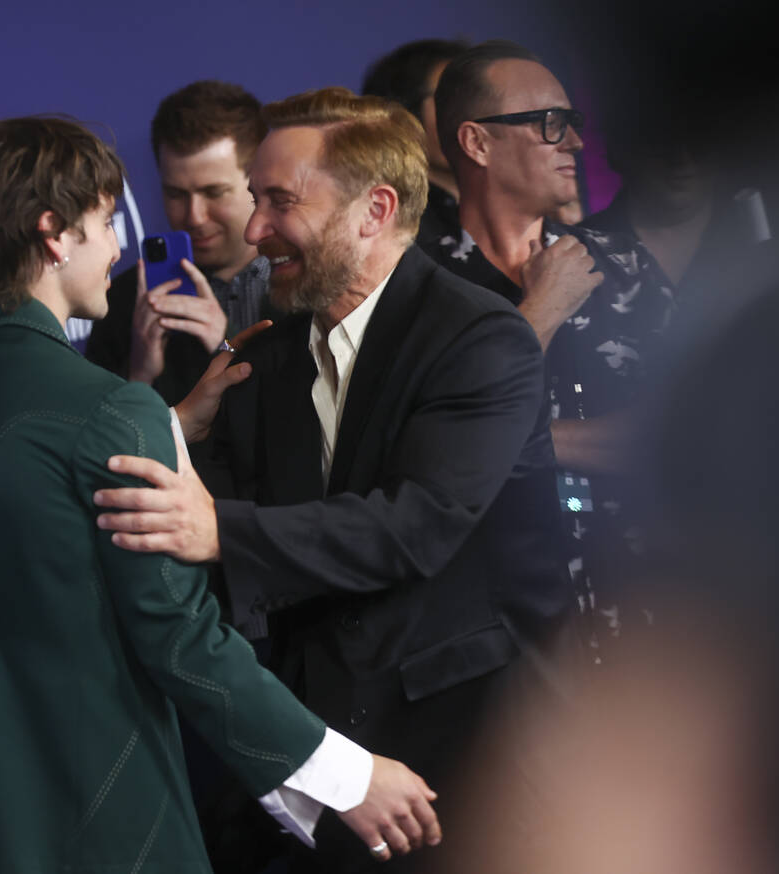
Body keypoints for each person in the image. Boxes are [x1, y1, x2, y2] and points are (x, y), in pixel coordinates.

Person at [0, 116, 441, 874]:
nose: (117, 248)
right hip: (89, 805)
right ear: (53, 233)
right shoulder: (107, 409)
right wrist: (346, 777)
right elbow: (181, 639)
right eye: (105, 222)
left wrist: (162, 426)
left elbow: (16, 495)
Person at [93, 88, 572, 873]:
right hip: (322, 776)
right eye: (255, 200)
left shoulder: (480, 338)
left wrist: (222, 531)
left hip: (473, 769)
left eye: (279, 201)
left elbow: (416, 524)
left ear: (374, 210)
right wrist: (177, 427)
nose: (253, 230)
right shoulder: (268, 349)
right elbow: (205, 507)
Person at [430, 40, 677, 658]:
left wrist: (523, 440)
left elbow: (677, 436)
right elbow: (432, 466)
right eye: (549, 124)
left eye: (572, 124)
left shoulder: (624, 267)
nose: (574, 143)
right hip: (493, 644)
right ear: (477, 143)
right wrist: (536, 315)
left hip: (646, 621)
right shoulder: (418, 292)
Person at [86, 81, 281, 405]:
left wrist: (226, 345)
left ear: (258, 181)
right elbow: (98, 444)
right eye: (176, 194)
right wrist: (139, 375)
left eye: (214, 192)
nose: (194, 217)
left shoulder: (308, 286)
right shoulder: (122, 301)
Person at [362, 38, 470, 249]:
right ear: (405, 115)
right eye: (456, 97)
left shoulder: (516, 209)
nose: (477, 115)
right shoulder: (388, 224)